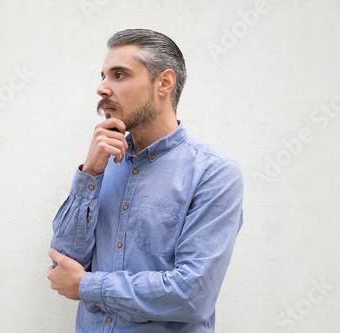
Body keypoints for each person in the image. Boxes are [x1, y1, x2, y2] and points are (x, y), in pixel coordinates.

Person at [47, 28, 244, 332]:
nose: (102, 88)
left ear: (164, 83)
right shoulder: (103, 165)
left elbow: (192, 296)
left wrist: (88, 285)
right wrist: (90, 173)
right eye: (103, 75)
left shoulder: (213, 174)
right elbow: (64, 263)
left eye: (119, 75)